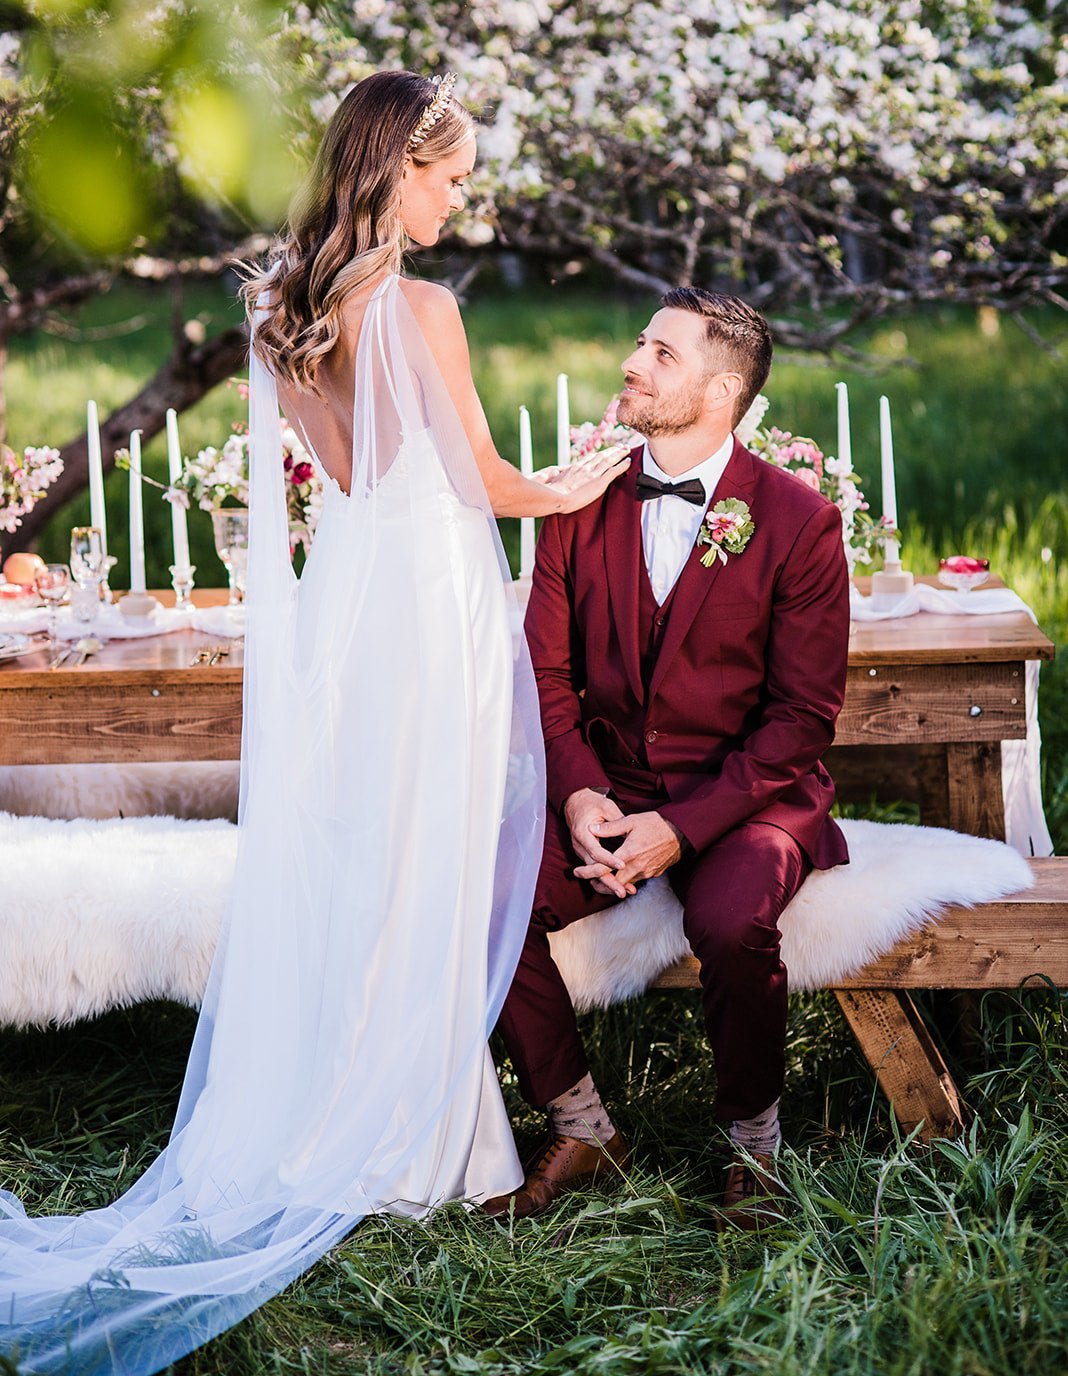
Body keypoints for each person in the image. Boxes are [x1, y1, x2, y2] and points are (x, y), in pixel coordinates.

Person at [0, 71, 628, 1374]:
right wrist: (573, 483)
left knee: (366, 858)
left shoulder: (284, 307)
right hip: (432, 604)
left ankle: (388, 1115)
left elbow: (342, 474)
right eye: (450, 174)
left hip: (355, 605)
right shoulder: (422, 307)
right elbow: (477, 480)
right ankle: (418, 1142)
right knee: (432, 859)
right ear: (399, 166)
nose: (461, 197)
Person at [487, 286, 851, 1228]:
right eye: (638, 343)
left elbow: (802, 720)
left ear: (722, 390)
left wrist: (681, 831)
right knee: (486, 893)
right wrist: (579, 798)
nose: (633, 365)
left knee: (732, 920)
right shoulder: (578, 501)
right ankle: (583, 1127)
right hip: (608, 789)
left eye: (662, 355)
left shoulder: (797, 522)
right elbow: (546, 675)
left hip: (746, 799)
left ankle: (753, 1144)